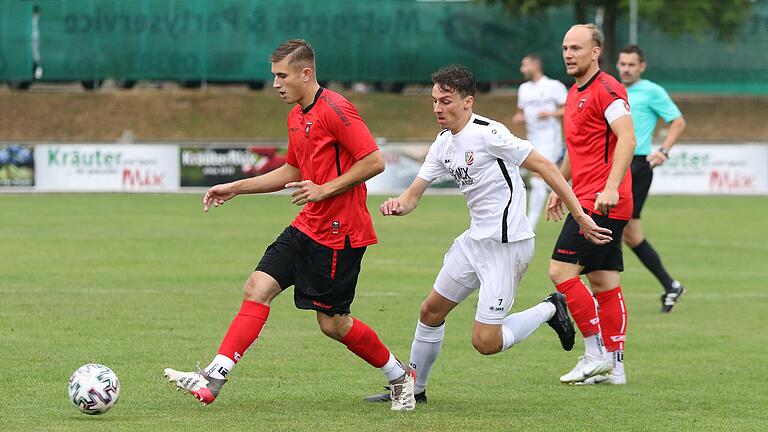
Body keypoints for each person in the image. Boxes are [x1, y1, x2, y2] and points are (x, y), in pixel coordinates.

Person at [163, 39, 417, 411]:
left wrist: (323, 189)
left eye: (282, 76)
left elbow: (374, 161)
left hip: (340, 233)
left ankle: (399, 376)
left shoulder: (336, 108)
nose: (276, 84)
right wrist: (236, 187)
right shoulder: (296, 115)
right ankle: (214, 377)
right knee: (257, 287)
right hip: (306, 225)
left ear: (306, 73)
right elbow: (292, 171)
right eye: (274, 76)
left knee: (334, 324)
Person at [365, 65, 612, 404]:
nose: (438, 108)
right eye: (435, 101)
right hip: (474, 243)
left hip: (507, 248)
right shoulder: (442, 144)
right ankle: (412, 389)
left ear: (468, 101)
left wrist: (580, 216)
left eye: (446, 101)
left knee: (485, 342)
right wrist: (397, 205)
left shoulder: (490, 134)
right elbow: (412, 198)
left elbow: (545, 166)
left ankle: (551, 309)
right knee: (430, 311)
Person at [546, 24, 637, 386]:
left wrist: (612, 186)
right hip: (586, 195)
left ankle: (594, 354)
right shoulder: (573, 93)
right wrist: (560, 184)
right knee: (603, 281)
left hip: (601, 200)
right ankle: (615, 368)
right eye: (565, 47)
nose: (569, 54)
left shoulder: (608, 90)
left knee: (560, 271)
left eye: (577, 48)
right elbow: (576, 147)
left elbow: (628, 139)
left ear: (596, 51)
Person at [616, 44, 687, 313]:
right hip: (616, 164)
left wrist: (664, 150)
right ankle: (671, 285)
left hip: (637, 166)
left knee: (611, 227)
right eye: (622, 64)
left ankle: (602, 292)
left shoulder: (652, 91)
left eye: (631, 64)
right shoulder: (614, 89)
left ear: (642, 66)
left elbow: (678, 121)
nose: (626, 69)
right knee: (631, 235)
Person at [513, 54, 569, 230]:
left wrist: (550, 114)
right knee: (539, 179)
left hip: (550, 139)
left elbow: (567, 110)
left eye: (524, 65)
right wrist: (519, 117)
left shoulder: (554, 86)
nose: (522, 70)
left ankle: (531, 223)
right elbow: (521, 111)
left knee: (538, 177)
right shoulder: (523, 89)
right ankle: (568, 194)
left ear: (535, 66)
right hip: (532, 139)